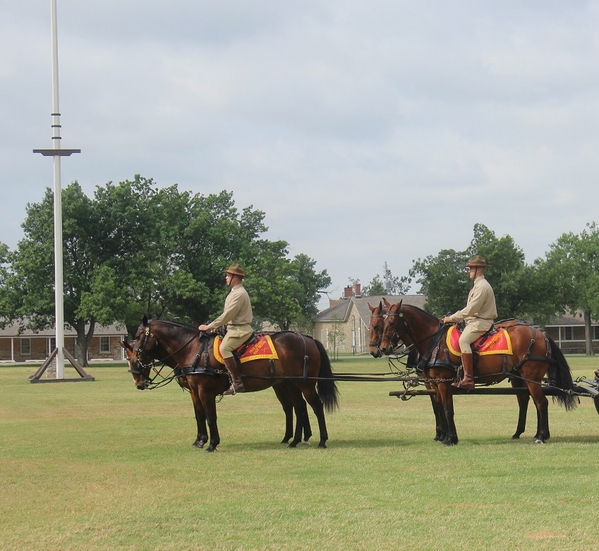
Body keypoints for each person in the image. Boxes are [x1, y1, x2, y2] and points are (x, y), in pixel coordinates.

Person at [441, 255, 497, 390]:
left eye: (471, 268)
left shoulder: (482, 287)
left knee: (463, 341)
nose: (469, 271)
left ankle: (469, 379)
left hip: (481, 322)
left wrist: (452, 318)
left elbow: (472, 309)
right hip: (473, 321)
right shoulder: (477, 286)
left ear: (478, 269)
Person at [198, 263, 253, 395]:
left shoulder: (239, 294)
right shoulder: (233, 292)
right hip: (232, 328)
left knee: (224, 348)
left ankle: (237, 383)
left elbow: (228, 315)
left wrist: (210, 326)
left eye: (228, 275)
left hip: (240, 330)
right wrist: (220, 326)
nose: (226, 278)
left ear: (236, 277)